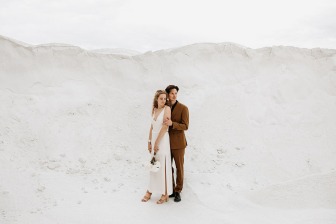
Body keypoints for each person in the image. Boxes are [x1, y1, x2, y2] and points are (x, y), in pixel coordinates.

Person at [141, 90, 173, 204]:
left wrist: (156, 143)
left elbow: (165, 127)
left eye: (165, 99)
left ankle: (164, 193)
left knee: (162, 164)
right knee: (153, 165)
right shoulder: (154, 109)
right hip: (154, 139)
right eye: (161, 99)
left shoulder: (167, 109)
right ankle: (150, 190)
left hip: (162, 140)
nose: (163, 101)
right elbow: (152, 126)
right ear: (157, 99)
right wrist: (149, 141)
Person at [163, 85, 189, 202]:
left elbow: (185, 126)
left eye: (176, 93)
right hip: (166, 143)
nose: (174, 95)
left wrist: (172, 124)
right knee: (169, 168)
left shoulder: (183, 108)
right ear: (168, 94)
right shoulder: (164, 107)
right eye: (172, 93)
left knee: (179, 168)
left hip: (179, 144)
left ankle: (178, 190)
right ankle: (172, 189)